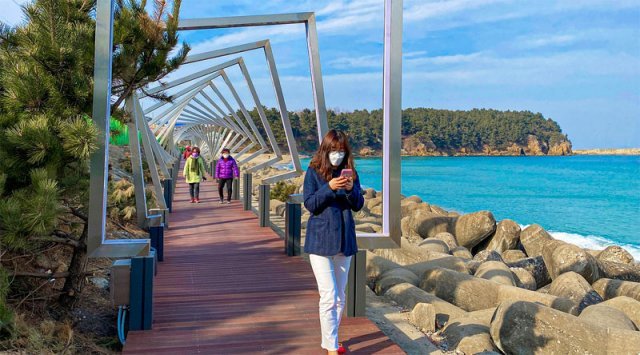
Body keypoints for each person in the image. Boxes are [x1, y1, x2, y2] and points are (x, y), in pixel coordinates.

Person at [303, 130, 364, 355]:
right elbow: (310, 204)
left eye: (341, 151)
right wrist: (329, 188)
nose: (337, 155)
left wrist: (350, 190)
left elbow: (358, 204)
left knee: (340, 297)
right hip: (320, 240)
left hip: (344, 241)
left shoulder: (351, 174)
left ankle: (332, 338)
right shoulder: (313, 172)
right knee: (328, 295)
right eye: (333, 151)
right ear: (325, 150)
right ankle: (331, 347)